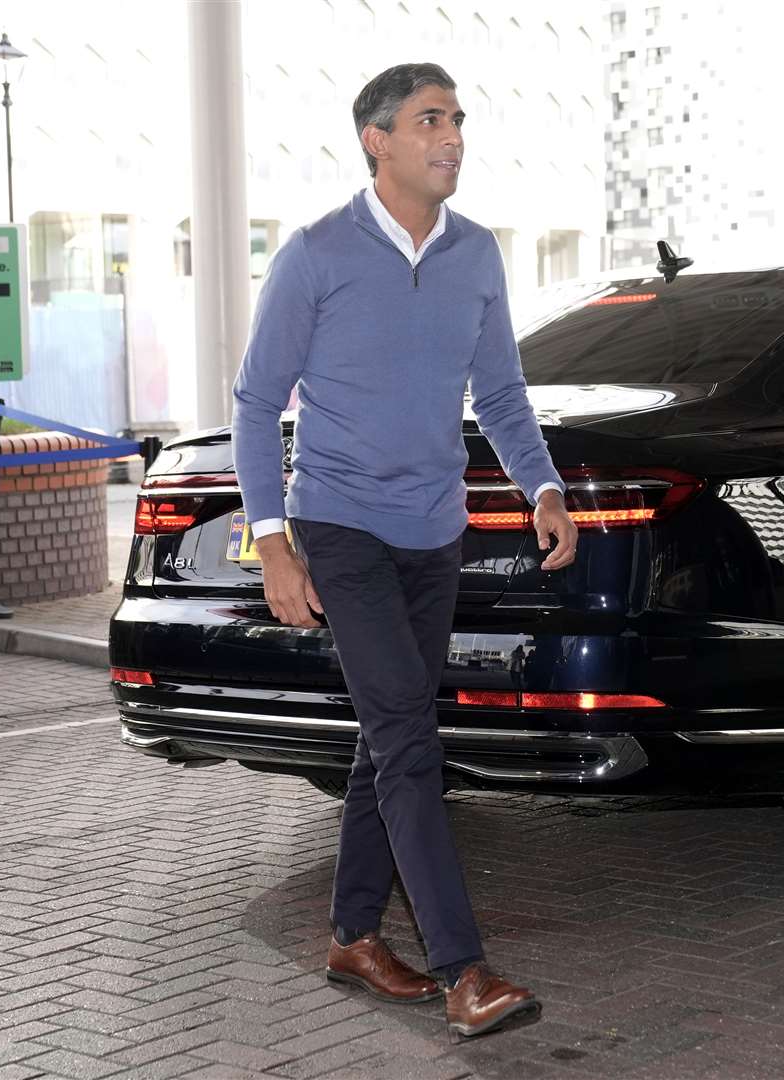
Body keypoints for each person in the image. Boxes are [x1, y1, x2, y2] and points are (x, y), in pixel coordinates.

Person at [231, 62, 578, 1039]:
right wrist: (273, 543)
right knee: (410, 743)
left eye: (459, 118)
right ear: (376, 140)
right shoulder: (315, 255)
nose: (453, 136)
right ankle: (466, 970)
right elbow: (258, 403)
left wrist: (542, 487)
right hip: (340, 528)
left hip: (436, 532)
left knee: (389, 736)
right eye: (431, 120)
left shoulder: (476, 255)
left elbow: (501, 394)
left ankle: (351, 933)